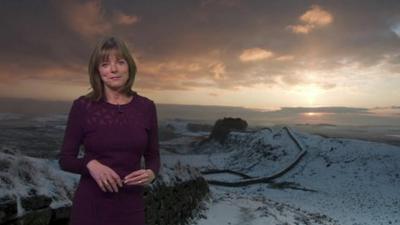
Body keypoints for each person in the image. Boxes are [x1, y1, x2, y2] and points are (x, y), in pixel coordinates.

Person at [58, 36, 160, 225]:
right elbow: (65, 159)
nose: (113, 69)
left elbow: (153, 156)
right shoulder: (83, 106)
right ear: (97, 70)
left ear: (129, 67)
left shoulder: (147, 107)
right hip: (90, 210)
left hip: (131, 209)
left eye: (120, 62)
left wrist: (151, 173)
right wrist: (91, 164)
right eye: (105, 64)